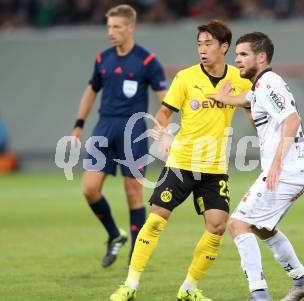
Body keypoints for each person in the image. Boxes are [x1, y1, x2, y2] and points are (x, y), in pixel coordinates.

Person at [110, 20, 252, 301]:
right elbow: (163, 114)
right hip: (181, 162)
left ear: (224, 47)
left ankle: (188, 288)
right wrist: (163, 138)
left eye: (208, 44)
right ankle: (130, 285)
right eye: (199, 44)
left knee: (217, 226)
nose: (202, 49)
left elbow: (252, 111)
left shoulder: (239, 79)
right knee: (156, 220)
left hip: (214, 168)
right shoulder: (185, 78)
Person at [207, 32, 304, 301]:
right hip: (294, 171)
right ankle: (301, 280)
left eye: (243, 55)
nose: (238, 60)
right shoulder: (260, 88)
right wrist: (224, 98)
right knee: (262, 226)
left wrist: (277, 162)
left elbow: (292, 120)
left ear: (262, 57)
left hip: (286, 170)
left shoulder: (268, 83)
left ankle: (259, 294)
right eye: (236, 56)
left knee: (238, 224)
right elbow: (247, 99)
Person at [71, 4, 167, 268]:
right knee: (89, 190)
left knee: (133, 194)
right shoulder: (103, 59)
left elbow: (165, 102)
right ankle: (115, 235)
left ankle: (135, 255)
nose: (111, 32)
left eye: (116, 27)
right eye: (109, 27)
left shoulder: (147, 61)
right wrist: (79, 123)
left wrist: (162, 130)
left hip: (133, 131)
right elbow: (91, 90)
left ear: (130, 27)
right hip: (104, 128)